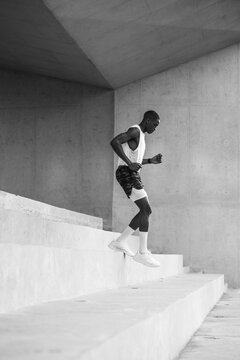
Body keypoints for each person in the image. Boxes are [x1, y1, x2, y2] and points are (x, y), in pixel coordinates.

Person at [108, 110, 162, 267]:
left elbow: (134, 160)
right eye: (155, 125)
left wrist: (150, 161)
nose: (155, 129)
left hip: (131, 173)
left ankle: (120, 241)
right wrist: (129, 164)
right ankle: (142, 253)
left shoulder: (142, 136)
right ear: (148, 120)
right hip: (127, 173)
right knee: (146, 210)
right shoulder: (135, 130)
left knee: (145, 211)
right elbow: (114, 142)